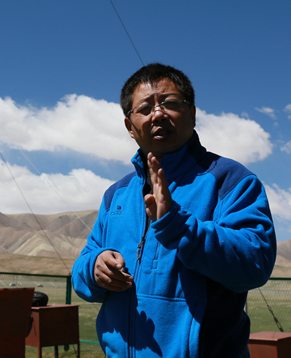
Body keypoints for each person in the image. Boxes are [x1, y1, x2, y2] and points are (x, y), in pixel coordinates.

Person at [71, 63, 277, 358]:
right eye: (145, 108)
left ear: (192, 113)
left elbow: (255, 263)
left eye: (170, 103)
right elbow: (82, 270)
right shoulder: (116, 194)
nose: (158, 114)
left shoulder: (231, 181)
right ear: (130, 127)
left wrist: (178, 227)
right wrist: (94, 268)